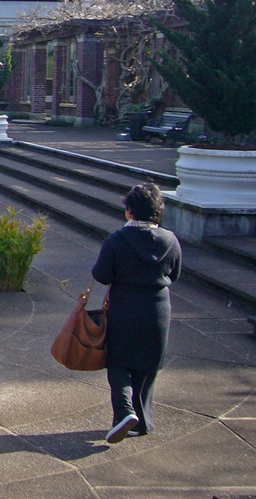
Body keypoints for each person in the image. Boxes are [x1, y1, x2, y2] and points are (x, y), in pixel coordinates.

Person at [92, 182, 182, 444]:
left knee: (119, 361)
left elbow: (101, 274)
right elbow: (174, 274)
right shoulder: (170, 240)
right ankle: (142, 422)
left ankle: (124, 412)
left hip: (125, 308)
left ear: (130, 211)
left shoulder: (117, 240)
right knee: (148, 364)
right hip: (158, 310)